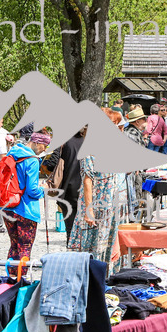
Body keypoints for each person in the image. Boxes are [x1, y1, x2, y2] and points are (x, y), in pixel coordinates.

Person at [67, 108, 125, 263]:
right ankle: (92, 278)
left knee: (109, 244)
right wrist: (89, 209)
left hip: (110, 206)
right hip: (96, 205)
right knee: (92, 245)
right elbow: (87, 180)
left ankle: (106, 278)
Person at [1, 129, 48, 262]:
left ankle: (10, 278)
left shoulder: (12, 153)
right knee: (25, 247)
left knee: (14, 245)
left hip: (8, 206)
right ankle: (21, 280)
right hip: (25, 210)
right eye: (45, 145)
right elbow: (32, 190)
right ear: (37, 142)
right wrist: (43, 190)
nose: (44, 150)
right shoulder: (32, 160)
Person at [45, 128, 85, 241]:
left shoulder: (63, 142)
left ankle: (72, 253)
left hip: (67, 190)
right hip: (86, 190)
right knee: (85, 230)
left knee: (70, 229)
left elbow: (51, 164)